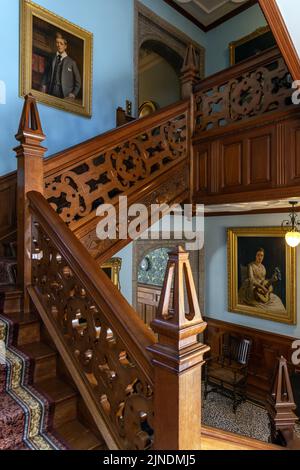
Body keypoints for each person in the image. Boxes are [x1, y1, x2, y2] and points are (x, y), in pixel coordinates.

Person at [238, 248, 285, 312]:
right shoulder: (251, 265)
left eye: (262, 255)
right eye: (258, 255)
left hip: (260, 289)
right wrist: (262, 287)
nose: (260, 257)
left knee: (277, 300)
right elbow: (252, 280)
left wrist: (272, 280)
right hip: (252, 287)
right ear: (255, 255)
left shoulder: (263, 267)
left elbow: (263, 281)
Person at [41, 32, 81, 99]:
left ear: (65, 46)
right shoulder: (52, 58)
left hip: (65, 95)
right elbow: (46, 73)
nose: (59, 45)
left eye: (61, 43)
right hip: (50, 92)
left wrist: (73, 94)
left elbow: (78, 82)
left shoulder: (72, 62)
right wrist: (43, 85)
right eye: (57, 43)